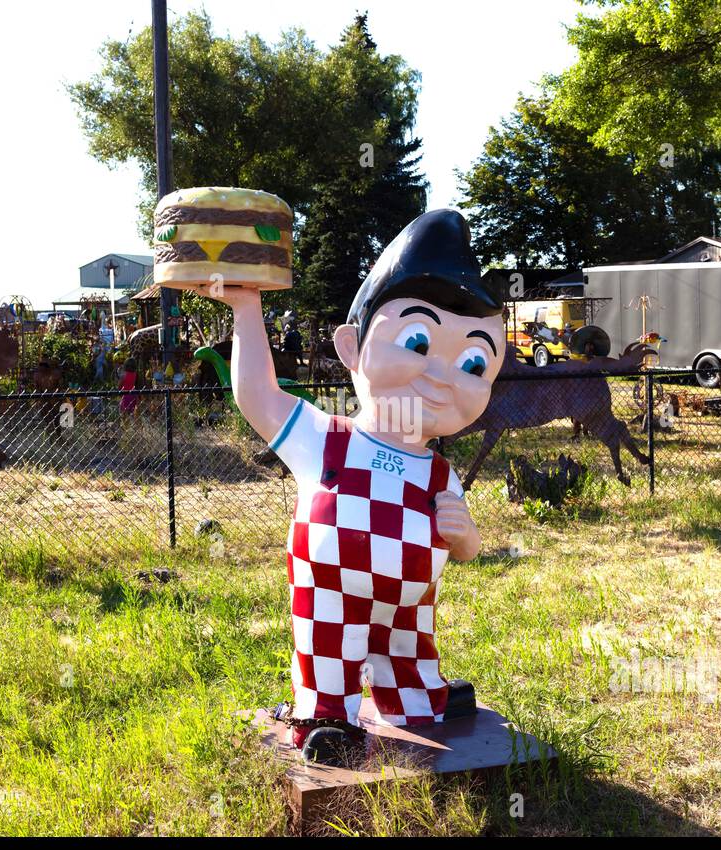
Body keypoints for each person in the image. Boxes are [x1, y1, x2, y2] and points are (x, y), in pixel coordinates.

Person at [187, 209, 503, 765]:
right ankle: (328, 714)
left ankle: (416, 699)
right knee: (329, 645)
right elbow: (257, 395)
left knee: (409, 652)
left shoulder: (438, 470)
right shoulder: (325, 436)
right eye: (418, 342)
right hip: (332, 590)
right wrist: (246, 308)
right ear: (351, 347)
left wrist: (466, 537)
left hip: (411, 600)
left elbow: (466, 545)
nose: (444, 375)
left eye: (474, 362)